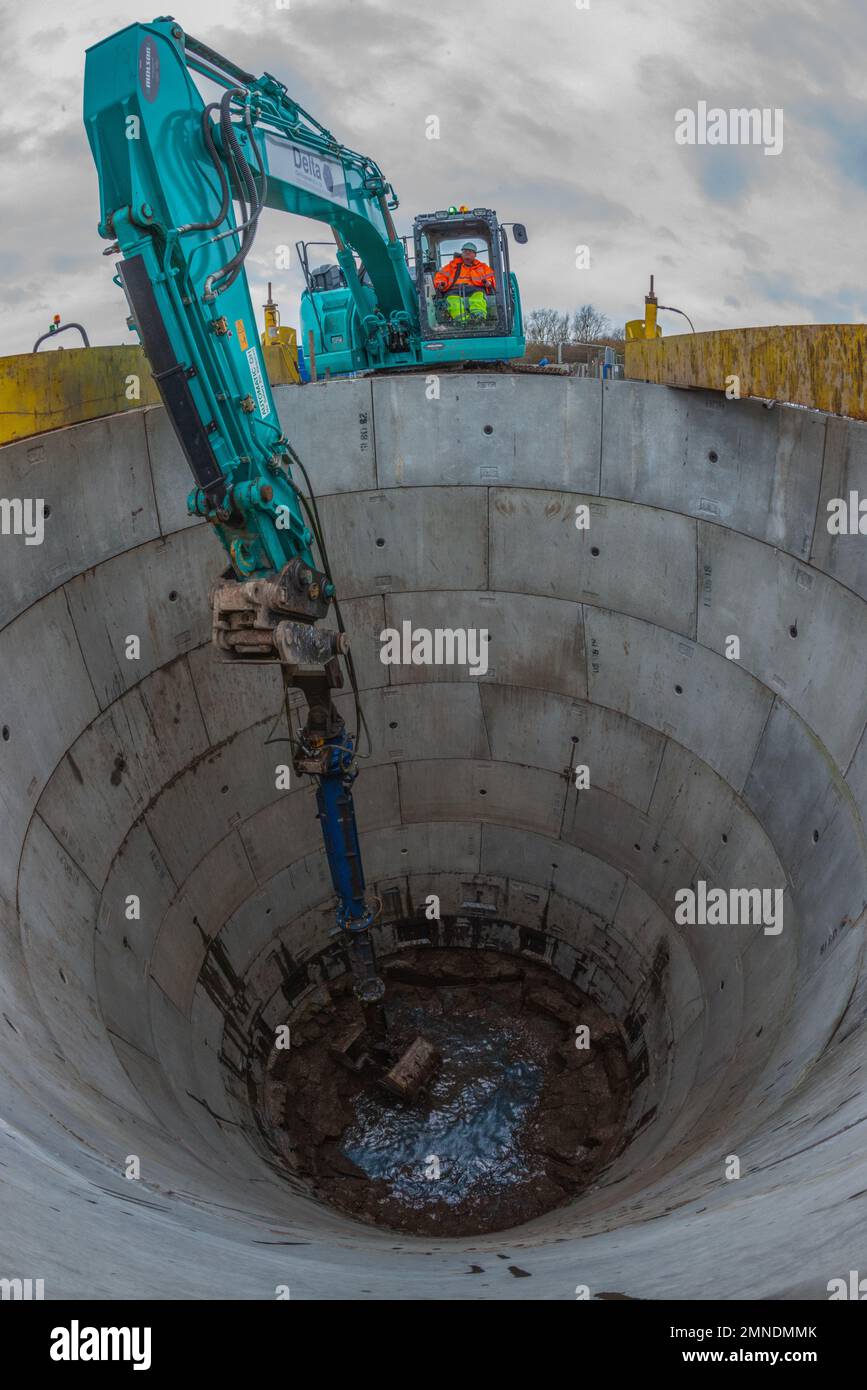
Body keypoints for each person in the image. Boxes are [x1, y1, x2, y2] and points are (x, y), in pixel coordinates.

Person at [433, 243, 495, 323]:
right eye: (465, 251)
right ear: (461, 253)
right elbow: (440, 277)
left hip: (475, 290)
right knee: (453, 301)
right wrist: (441, 284)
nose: (467, 252)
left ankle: (479, 318)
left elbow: (490, 277)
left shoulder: (483, 267)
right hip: (454, 291)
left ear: (475, 254)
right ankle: (463, 321)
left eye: (470, 251)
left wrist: (488, 282)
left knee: (478, 298)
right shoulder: (451, 266)